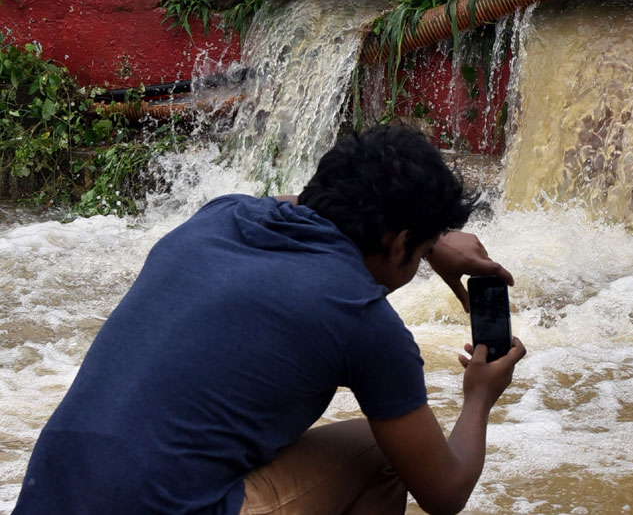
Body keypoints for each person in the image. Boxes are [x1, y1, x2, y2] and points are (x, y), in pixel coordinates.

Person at [14, 124, 525, 515]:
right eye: (412, 254)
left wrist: (428, 242)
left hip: (44, 498)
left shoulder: (221, 215)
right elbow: (445, 491)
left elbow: (310, 205)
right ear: (396, 242)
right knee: (381, 450)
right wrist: (479, 395)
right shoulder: (363, 316)